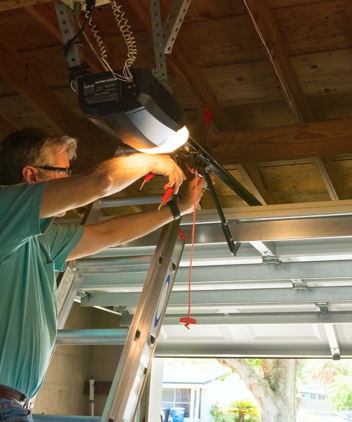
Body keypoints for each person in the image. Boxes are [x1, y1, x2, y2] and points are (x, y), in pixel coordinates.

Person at [0, 127, 207, 421]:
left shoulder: (38, 239)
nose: (69, 180)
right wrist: (153, 160)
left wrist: (178, 209)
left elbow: (108, 233)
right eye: (62, 171)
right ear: (32, 176)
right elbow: (101, 181)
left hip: (14, 405)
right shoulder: (2, 211)